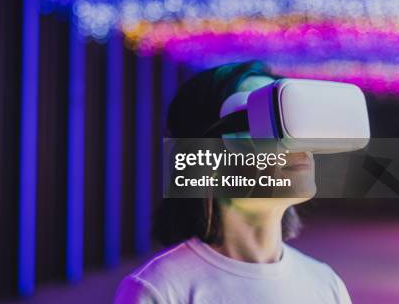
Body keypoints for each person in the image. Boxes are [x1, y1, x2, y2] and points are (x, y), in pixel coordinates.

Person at [114, 61, 351, 304]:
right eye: (264, 123)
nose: (293, 142)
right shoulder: (160, 290)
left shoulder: (326, 284)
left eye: (291, 122)